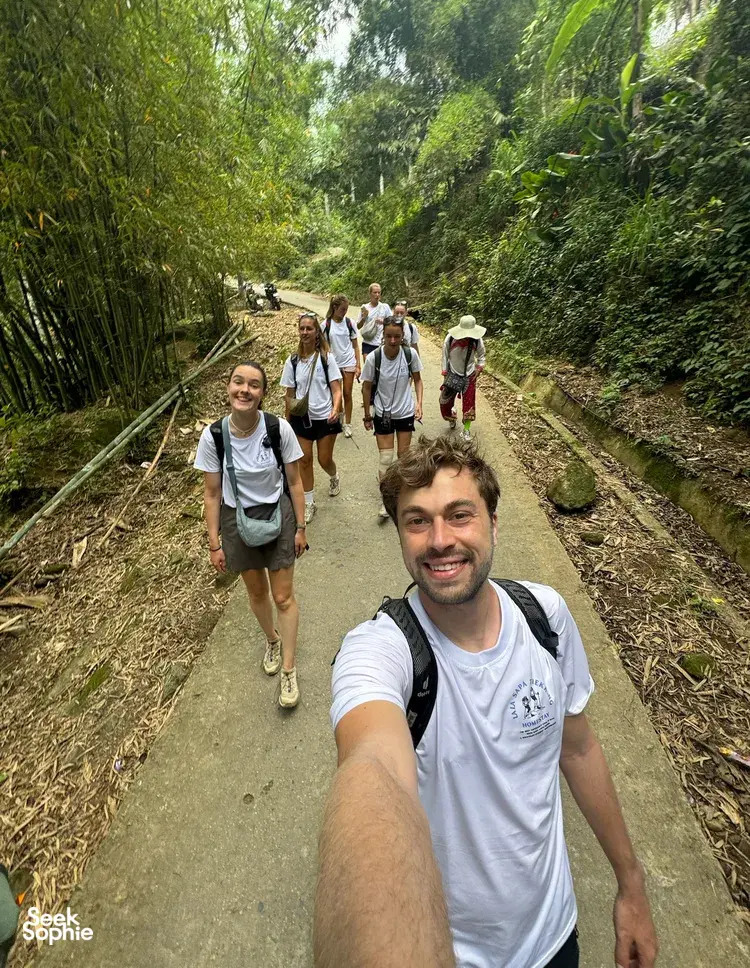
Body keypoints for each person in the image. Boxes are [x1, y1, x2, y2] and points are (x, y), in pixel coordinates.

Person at [315, 435, 659, 968]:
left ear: (493, 524)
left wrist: (630, 882)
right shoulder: (380, 650)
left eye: (459, 515)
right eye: (417, 521)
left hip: (553, 933)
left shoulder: (545, 616)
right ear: (400, 535)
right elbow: (372, 767)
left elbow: (578, 749)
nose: (440, 540)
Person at [195, 361, 308, 709]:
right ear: (228, 387)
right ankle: (271, 639)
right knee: (257, 592)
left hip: (277, 514)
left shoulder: (277, 429)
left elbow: (295, 482)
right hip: (236, 518)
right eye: (238, 382)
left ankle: (288, 668)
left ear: (262, 394)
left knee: (283, 597)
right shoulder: (214, 436)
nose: (244, 390)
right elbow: (212, 493)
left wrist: (301, 527)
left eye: (254, 385)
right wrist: (214, 543)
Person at [280, 313, 343, 524]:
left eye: (309, 328)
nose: (305, 332)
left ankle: (334, 476)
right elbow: (289, 394)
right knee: (304, 461)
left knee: (324, 459)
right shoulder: (293, 361)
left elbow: (336, 389)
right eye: (302, 328)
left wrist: (336, 408)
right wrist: (287, 422)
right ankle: (309, 502)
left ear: (317, 332)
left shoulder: (327, 358)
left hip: (325, 418)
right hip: (302, 418)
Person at [360, 316, 423, 521]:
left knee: (403, 457)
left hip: (404, 412)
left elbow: (418, 380)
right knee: (386, 458)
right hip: (382, 413)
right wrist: (367, 415)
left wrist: (419, 403)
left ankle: (402, 495)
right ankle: (386, 500)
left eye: (397, 336)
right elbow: (366, 386)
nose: (393, 341)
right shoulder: (374, 358)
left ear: (403, 335)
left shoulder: (410, 354)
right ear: (383, 335)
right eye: (389, 336)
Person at [441, 314, 486, 439]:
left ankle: (466, 430)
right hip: (452, 372)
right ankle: (452, 415)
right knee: (445, 402)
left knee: (469, 404)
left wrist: (479, 367)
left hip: (469, 374)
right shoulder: (450, 338)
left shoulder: (477, 340)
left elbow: (482, 355)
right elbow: (445, 356)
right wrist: (444, 372)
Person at [323, 294, 361, 439]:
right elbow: (324, 346)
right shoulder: (326, 324)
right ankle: (339, 418)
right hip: (334, 364)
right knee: (336, 394)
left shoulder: (350, 323)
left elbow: (355, 345)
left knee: (347, 393)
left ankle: (348, 423)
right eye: (342, 309)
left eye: (346, 309)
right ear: (334, 307)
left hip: (349, 362)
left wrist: (358, 365)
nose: (344, 312)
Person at [357, 282, 391, 357]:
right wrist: (364, 318)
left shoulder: (385, 307)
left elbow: (392, 323)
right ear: (370, 294)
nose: (377, 295)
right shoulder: (364, 307)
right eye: (375, 292)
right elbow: (358, 326)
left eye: (379, 292)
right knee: (368, 364)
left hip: (381, 344)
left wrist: (383, 321)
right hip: (367, 343)